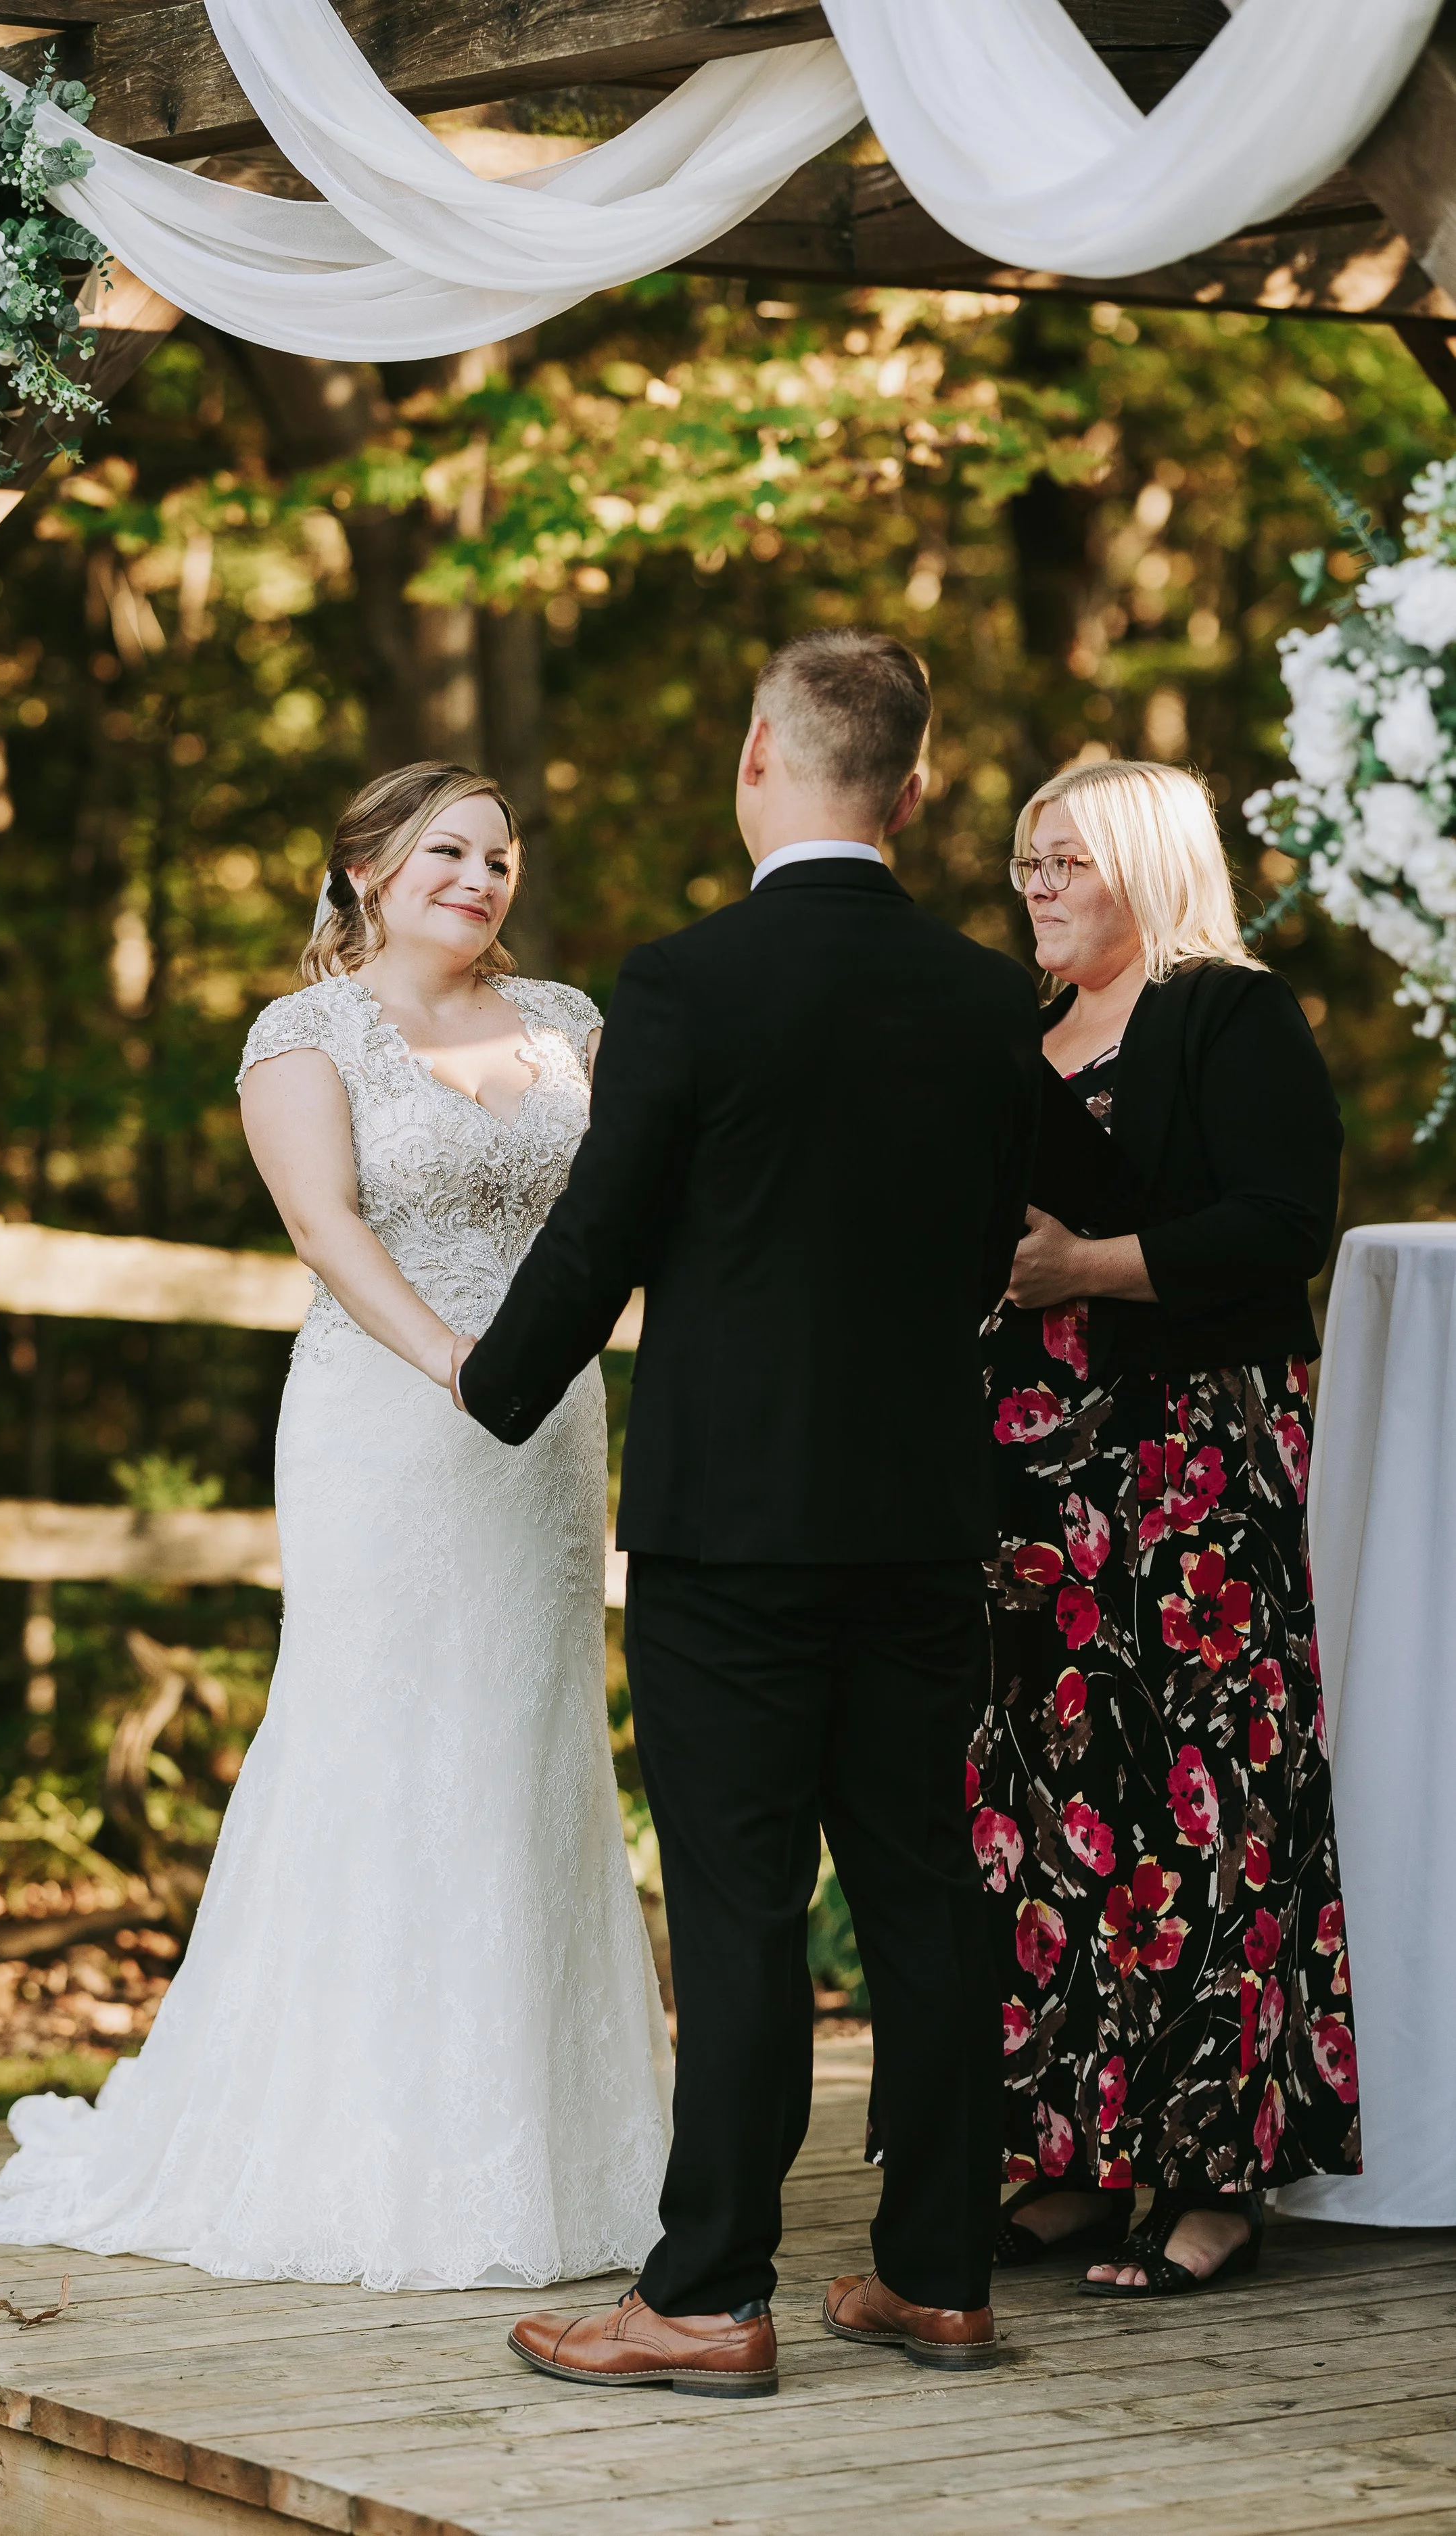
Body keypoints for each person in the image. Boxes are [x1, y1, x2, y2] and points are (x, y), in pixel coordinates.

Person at [0, 761, 672, 2291]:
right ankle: (354, 2145)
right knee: (382, 1731)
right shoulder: (306, 1034)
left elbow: (629, 1208)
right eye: (446, 852)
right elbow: (324, 1225)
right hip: (389, 1419)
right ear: (363, 872)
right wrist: (455, 1368)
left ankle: (555, 2146)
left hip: (546, 1430)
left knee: (530, 1738)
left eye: (498, 855)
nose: (479, 878)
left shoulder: (568, 1025)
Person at [458, 630, 1043, 2398]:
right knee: (926, 1885)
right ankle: (939, 2269)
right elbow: (975, 1251)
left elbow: (603, 1228)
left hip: (733, 1516)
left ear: (753, 764)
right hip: (921, 1501)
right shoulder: (979, 994)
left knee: (736, 1901)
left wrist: (491, 1388)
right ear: (916, 795)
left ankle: (708, 2289)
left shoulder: (684, 978)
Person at [974, 757, 1355, 2299]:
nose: (1034, 888)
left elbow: (1283, 1222)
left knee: (1195, 1798)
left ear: (1142, 859)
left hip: (1188, 1468)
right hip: (1021, 1476)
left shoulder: (1226, 1014)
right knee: (1036, 1800)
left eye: (1063, 861)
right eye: (1021, 864)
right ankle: (1068, 2155)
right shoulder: (1013, 1037)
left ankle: (1206, 2170)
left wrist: (1094, 1266)